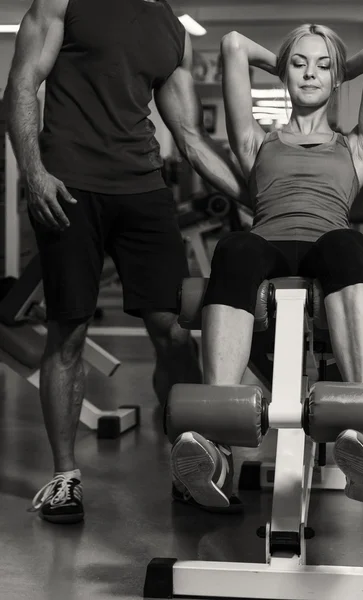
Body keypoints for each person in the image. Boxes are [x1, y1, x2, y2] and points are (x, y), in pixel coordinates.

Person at [4, 0, 248, 524]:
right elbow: (22, 84)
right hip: (69, 185)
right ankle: (65, 476)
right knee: (67, 331)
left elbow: (188, 138)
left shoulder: (172, 31)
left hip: (142, 188)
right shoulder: (61, 3)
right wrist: (34, 171)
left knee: (175, 331)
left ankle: (191, 465)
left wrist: (254, 197)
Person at [171, 24, 363, 511]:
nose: (309, 72)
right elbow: (232, 44)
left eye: (322, 65)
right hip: (267, 244)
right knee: (235, 247)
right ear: (282, 73)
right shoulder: (255, 142)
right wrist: (293, 63)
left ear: (337, 78)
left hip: (327, 246)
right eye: (299, 64)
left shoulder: (356, 146)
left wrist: (330, 69)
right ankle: (217, 444)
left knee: (347, 245)